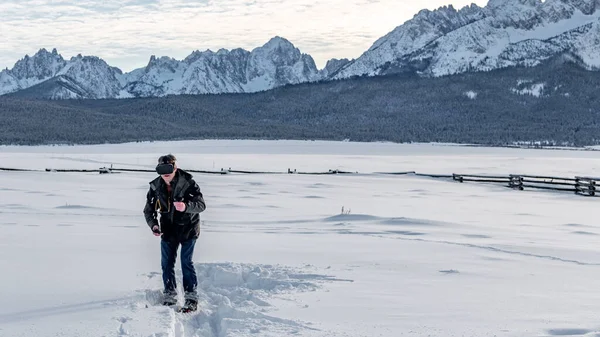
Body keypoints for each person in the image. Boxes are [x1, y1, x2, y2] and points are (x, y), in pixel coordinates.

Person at [143, 154, 206, 313]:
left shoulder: (189, 183)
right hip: (168, 229)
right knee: (167, 264)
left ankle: (191, 298)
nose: (165, 173)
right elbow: (148, 211)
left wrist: (186, 206)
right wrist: (154, 226)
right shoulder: (155, 187)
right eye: (161, 170)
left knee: (186, 262)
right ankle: (170, 294)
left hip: (188, 229)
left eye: (168, 169)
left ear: (175, 167)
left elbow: (201, 205)